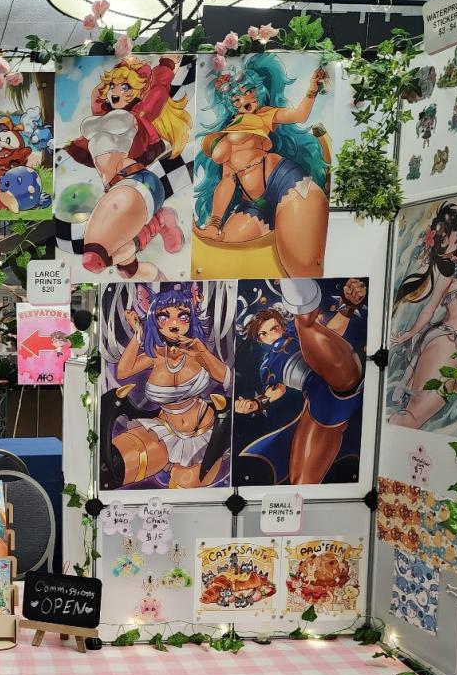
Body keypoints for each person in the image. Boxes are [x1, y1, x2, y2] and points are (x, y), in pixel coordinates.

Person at [193, 55, 330, 276]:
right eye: (235, 99)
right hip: (253, 204)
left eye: (248, 92)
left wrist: (312, 91)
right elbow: (227, 180)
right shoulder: (229, 128)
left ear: (257, 91)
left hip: (286, 182)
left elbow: (299, 115)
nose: (243, 101)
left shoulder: (264, 115)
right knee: (223, 249)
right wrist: (214, 223)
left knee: (302, 264)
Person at [62, 56, 191, 280]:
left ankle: (159, 221)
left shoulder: (137, 116)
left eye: (125, 87)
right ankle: (161, 223)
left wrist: (166, 65)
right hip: (116, 191)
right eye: (113, 85)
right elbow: (98, 95)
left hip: (137, 183)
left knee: (94, 256)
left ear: (139, 91)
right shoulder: (101, 115)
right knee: (127, 269)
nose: (116, 92)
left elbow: (158, 93)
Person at [235, 279, 366, 483]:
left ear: (281, 325)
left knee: (306, 326)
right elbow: (277, 390)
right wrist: (256, 403)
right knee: (301, 481)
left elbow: (330, 334)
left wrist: (348, 307)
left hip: (338, 377)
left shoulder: (297, 334)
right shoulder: (267, 367)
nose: (271, 335)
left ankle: (301, 297)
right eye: (264, 334)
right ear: (260, 339)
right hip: (321, 407)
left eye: (274, 328)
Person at [107, 283, 232, 489]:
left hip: (206, 432)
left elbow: (227, 378)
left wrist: (203, 353)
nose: (174, 324)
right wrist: (138, 335)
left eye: (182, 316)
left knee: (187, 485)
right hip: (165, 432)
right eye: (164, 317)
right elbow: (123, 371)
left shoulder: (196, 351)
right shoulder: (156, 355)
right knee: (119, 463)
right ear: (154, 321)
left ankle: (172, 468)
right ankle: (165, 465)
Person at [387, 203, 457, 429]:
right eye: (453, 242)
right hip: (444, 339)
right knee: (415, 416)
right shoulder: (446, 275)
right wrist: (411, 332)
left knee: (420, 414)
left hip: (453, 342)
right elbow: (430, 308)